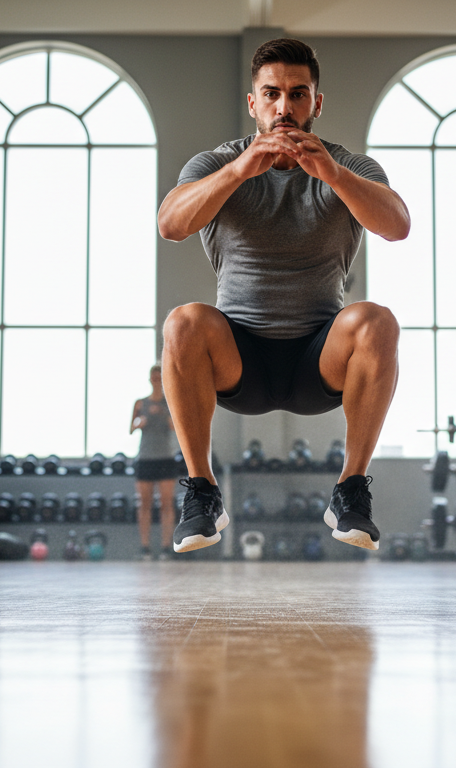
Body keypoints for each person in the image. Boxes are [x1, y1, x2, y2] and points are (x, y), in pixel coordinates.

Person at [157, 38, 411, 553]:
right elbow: (170, 224)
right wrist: (239, 171)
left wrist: (333, 176)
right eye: (271, 94)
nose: (284, 107)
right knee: (184, 321)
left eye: (298, 94)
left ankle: (350, 490)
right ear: (253, 103)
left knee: (376, 320)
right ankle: (202, 493)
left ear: (316, 103)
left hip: (318, 362)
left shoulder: (348, 167)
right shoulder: (216, 163)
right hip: (239, 360)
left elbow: (398, 226)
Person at [130, 364, 178, 559]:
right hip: (145, 458)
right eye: (154, 377)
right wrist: (139, 423)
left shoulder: (171, 402)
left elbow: (177, 428)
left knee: (167, 504)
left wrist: (166, 415)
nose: (157, 380)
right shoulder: (140, 403)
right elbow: (131, 428)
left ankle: (166, 546)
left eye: (160, 377)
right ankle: (145, 547)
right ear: (150, 379)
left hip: (165, 458)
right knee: (144, 504)